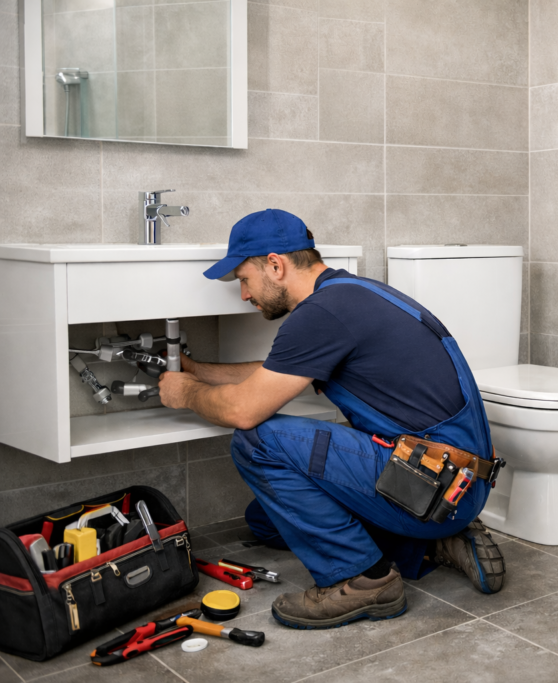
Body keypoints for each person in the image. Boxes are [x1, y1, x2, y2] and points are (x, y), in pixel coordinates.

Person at [158, 209, 506, 630]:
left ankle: (364, 581)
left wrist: (187, 394)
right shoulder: (348, 295)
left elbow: (242, 410)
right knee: (266, 521)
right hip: (452, 478)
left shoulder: (322, 314)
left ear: (275, 265)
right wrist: (195, 371)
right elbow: (275, 374)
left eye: (244, 280)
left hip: (435, 482)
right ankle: (435, 542)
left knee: (256, 441)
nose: (245, 295)